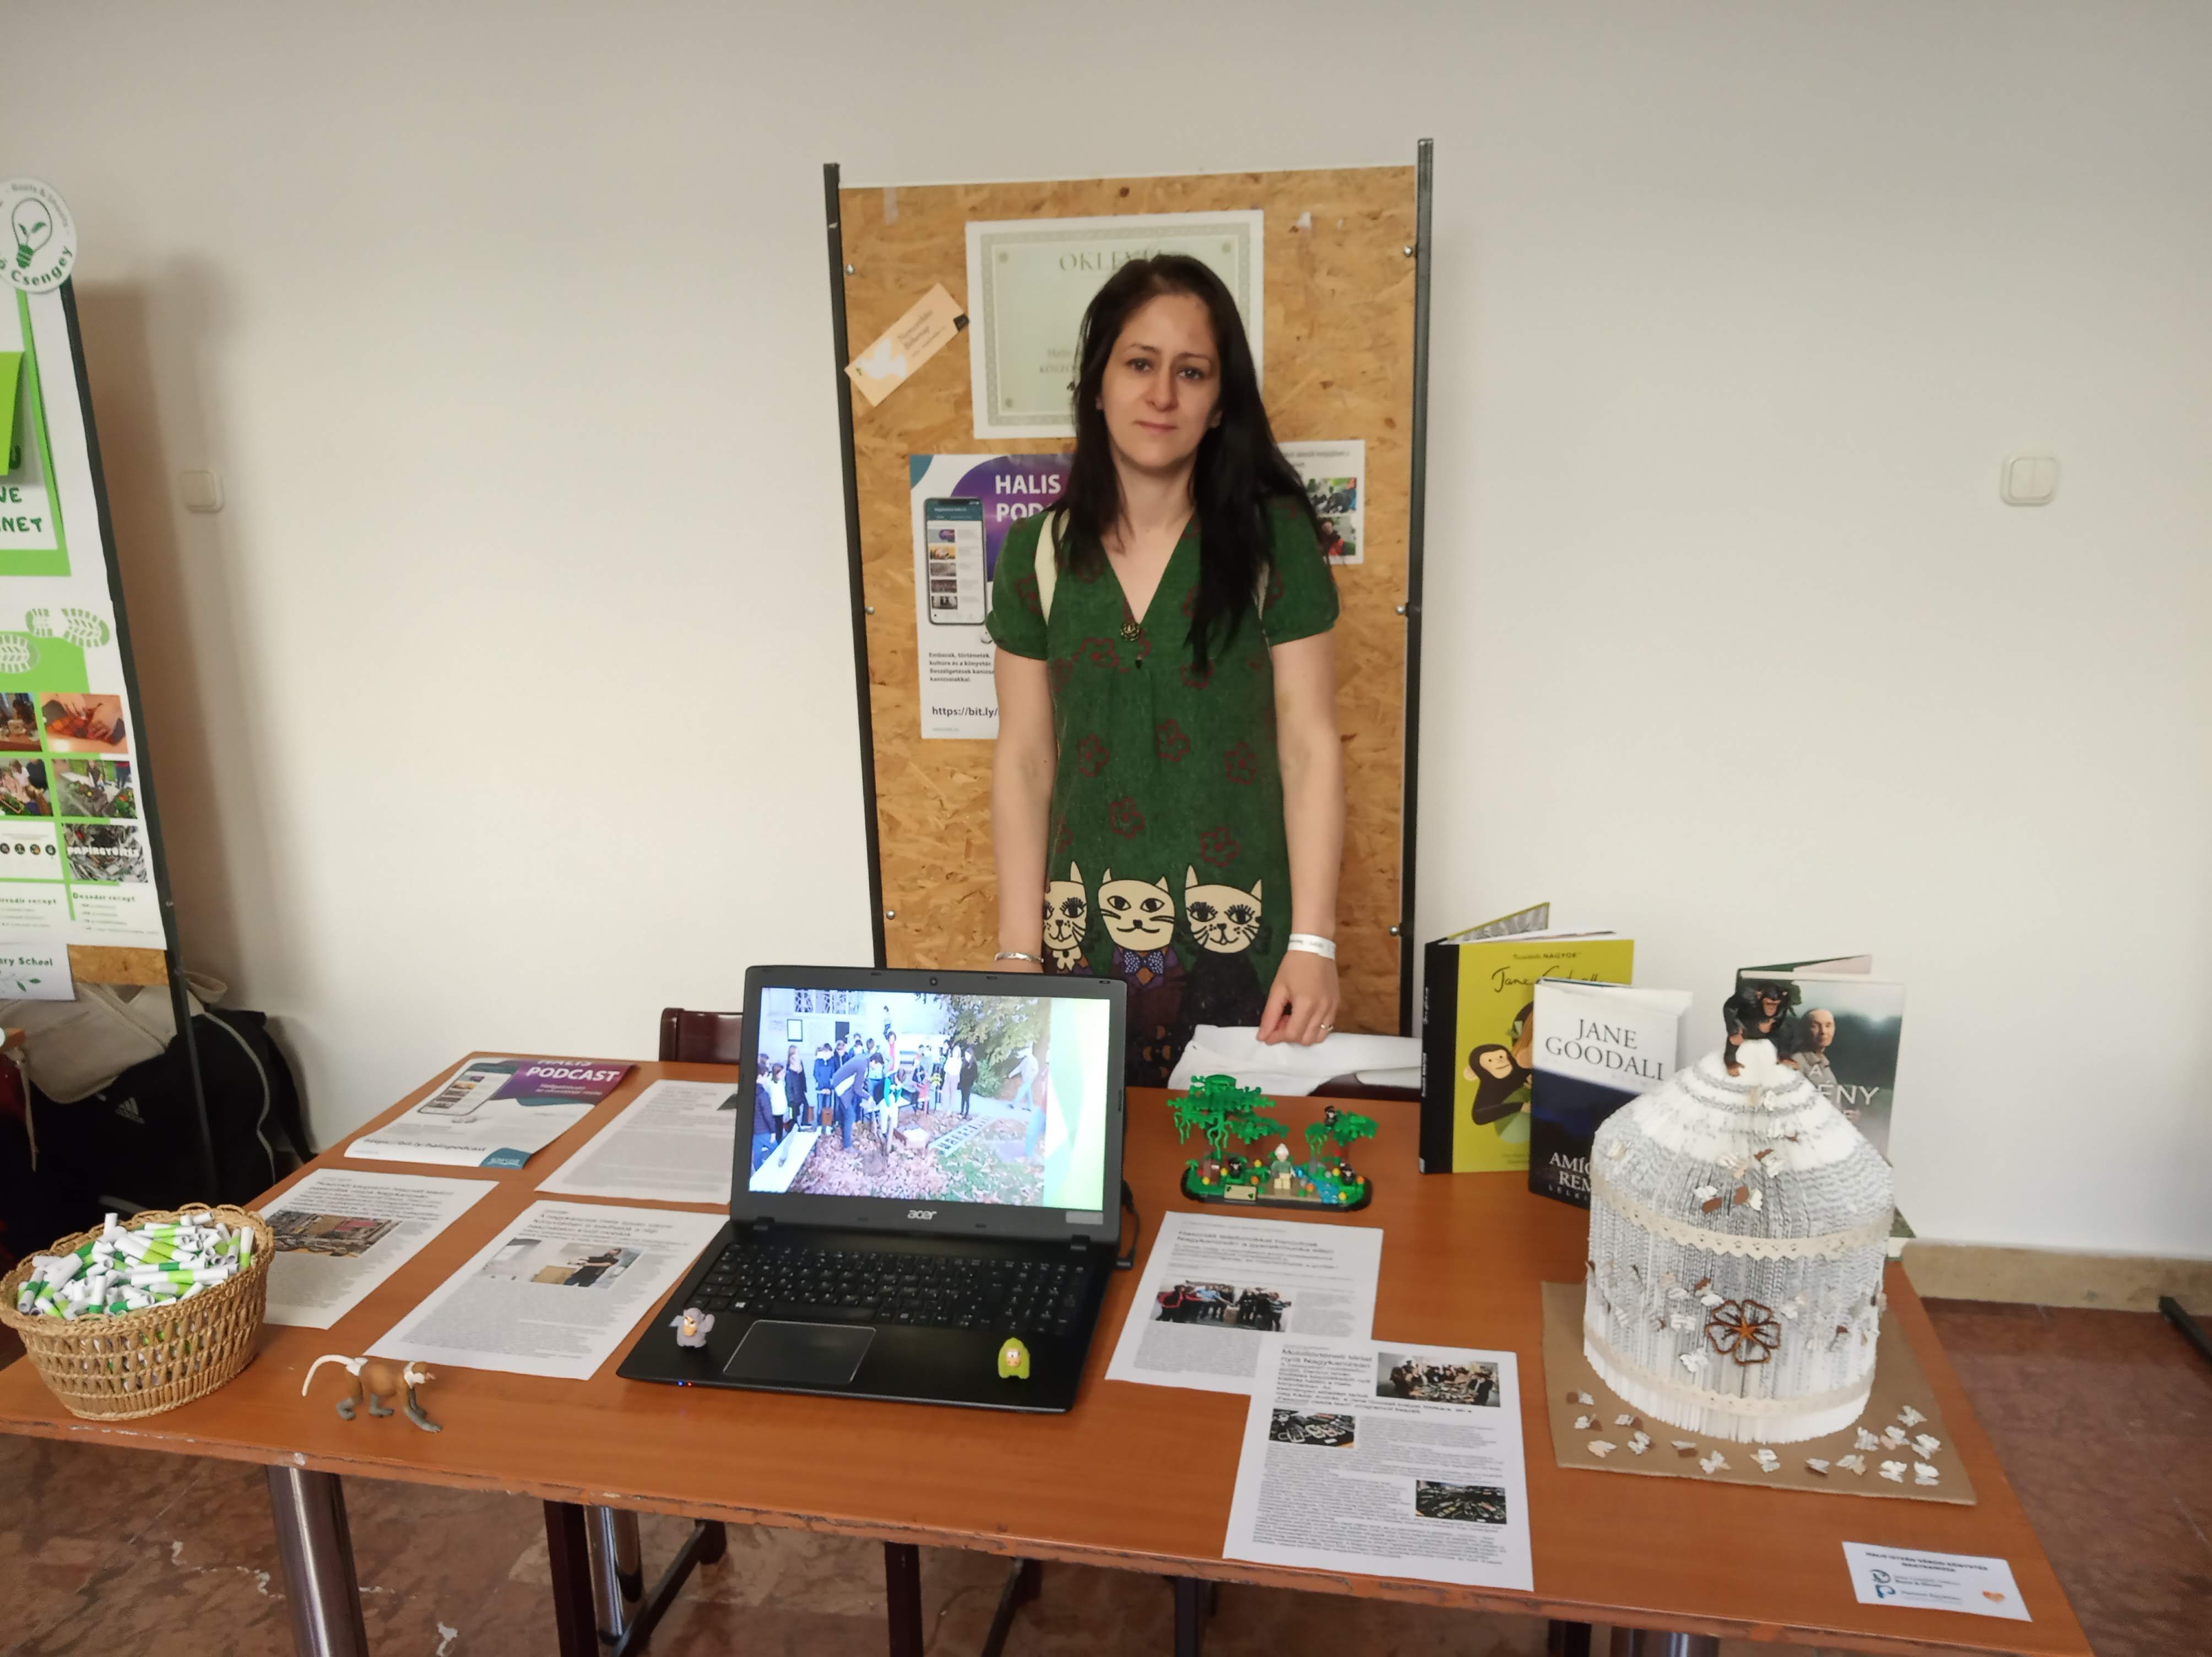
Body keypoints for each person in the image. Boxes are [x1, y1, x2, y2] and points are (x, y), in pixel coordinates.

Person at [988, 254, 1345, 1087]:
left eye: (1191, 372)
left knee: (1234, 1155)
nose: (1161, 395)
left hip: (1248, 955)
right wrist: (1016, 953)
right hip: (1080, 950)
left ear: (1220, 402)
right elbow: (1026, 759)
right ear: (1097, 383)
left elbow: (1308, 744)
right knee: (1090, 1155)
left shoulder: (1272, 541)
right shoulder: (1038, 553)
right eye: (1139, 364)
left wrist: (1314, 941)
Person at [1794, 1007, 1839, 1098]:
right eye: (1815, 1026)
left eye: (1828, 1026)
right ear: (1804, 1030)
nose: (1823, 1032)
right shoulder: (1796, 1063)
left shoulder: (1824, 1063)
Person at [750, 1059, 777, 1173]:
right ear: (760, 1077)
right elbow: (768, 1115)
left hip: (754, 1130)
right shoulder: (763, 1094)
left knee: (757, 1155)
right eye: (766, 1076)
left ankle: (759, 1173)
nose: (766, 1079)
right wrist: (773, 1131)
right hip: (764, 1129)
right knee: (776, 1150)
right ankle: (775, 1172)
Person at [783, 1047, 809, 1130]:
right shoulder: (789, 1071)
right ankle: (793, 1127)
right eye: (796, 1053)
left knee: (805, 1105)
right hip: (794, 1096)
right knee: (794, 1113)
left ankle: (803, 1123)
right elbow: (789, 1087)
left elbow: (802, 1078)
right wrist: (791, 1099)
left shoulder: (800, 1064)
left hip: (800, 1091)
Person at [958, 1043, 979, 1119]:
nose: (966, 1057)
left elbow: (975, 1075)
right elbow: (961, 1072)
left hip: (969, 1084)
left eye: (968, 1055)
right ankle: (962, 1112)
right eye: (966, 1055)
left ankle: (966, 1113)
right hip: (963, 1083)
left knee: (967, 1099)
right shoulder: (964, 1063)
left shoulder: (974, 1065)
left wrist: (969, 1080)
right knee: (963, 1098)